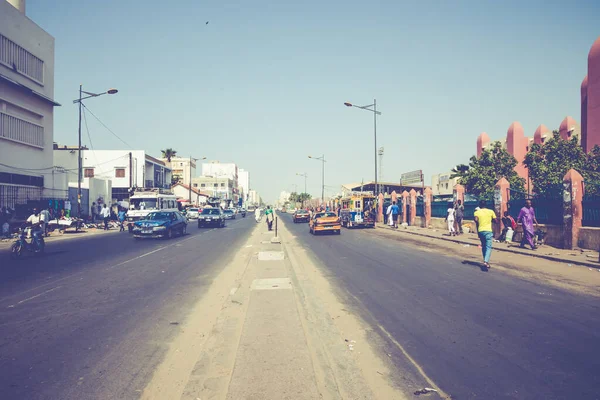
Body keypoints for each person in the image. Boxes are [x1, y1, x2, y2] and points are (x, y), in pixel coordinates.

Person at [474, 200, 498, 269]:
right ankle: (486, 261)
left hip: (481, 231)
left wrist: (479, 221)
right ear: (486, 205)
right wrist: (491, 220)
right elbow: (496, 220)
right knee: (488, 247)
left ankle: (486, 261)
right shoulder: (491, 211)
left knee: (484, 246)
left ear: (480, 205)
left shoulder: (477, 212)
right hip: (488, 231)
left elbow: (476, 220)